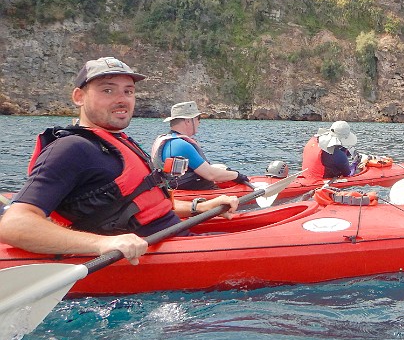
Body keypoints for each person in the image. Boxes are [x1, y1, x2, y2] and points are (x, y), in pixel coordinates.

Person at [0, 57, 238, 265]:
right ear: (79, 97)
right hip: (154, 257)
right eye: (108, 90)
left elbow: (138, 207)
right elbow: (14, 225)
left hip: (174, 241)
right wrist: (101, 244)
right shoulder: (70, 149)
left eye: (128, 91)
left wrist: (198, 207)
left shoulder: (118, 141)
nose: (122, 99)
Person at [150, 101, 250, 191]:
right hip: (192, 194)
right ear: (188, 121)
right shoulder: (181, 145)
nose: (199, 122)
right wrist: (237, 175)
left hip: (173, 188)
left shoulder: (167, 140)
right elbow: (211, 175)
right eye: (198, 118)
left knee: (221, 167)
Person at [301, 120, 367, 179]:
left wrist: (344, 151)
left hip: (307, 176)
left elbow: (328, 154)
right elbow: (349, 174)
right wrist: (355, 163)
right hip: (321, 181)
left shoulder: (313, 140)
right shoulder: (339, 156)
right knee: (357, 170)